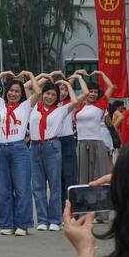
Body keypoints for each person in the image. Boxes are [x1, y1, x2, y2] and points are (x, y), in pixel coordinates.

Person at [29, 74, 84, 232]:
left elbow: (75, 101)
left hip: (52, 146)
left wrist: (65, 84)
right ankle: (41, 219)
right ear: (42, 94)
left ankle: (55, 219)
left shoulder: (61, 110)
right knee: (38, 185)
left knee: (54, 184)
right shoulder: (32, 107)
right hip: (34, 147)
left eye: (54, 94)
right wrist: (40, 77)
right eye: (47, 93)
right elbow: (29, 88)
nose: (50, 97)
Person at [0, 70, 40, 236]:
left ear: (21, 94)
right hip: (2, 149)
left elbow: (38, 92)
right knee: (4, 189)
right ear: (6, 92)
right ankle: (6, 223)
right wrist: (2, 74)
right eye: (11, 90)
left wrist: (29, 75)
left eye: (17, 91)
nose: (13, 94)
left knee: (22, 188)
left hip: (19, 149)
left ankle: (22, 224)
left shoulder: (25, 107)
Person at [75, 70, 115, 184]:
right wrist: (78, 75)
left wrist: (101, 74)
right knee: (82, 175)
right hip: (81, 143)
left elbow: (111, 86)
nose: (93, 94)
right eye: (90, 91)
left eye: (95, 92)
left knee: (99, 174)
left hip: (97, 143)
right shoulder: (78, 105)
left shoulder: (100, 104)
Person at [57, 78, 79, 205]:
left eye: (66, 89)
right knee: (57, 180)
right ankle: (59, 212)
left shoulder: (69, 104)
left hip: (68, 142)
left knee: (70, 177)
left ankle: (72, 210)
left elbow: (84, 94)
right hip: (53, 142)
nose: (63, 92)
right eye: (61, 88)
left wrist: (76, 79)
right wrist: (47, 77)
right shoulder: (48, 104)